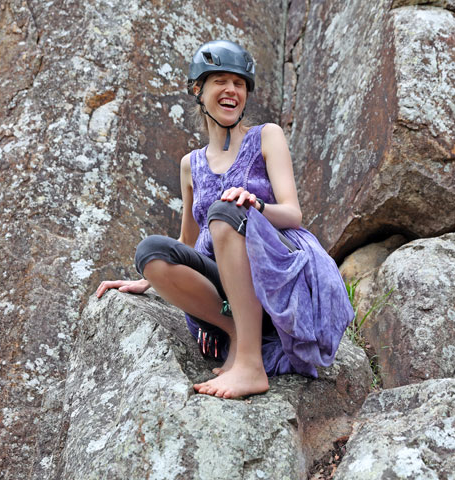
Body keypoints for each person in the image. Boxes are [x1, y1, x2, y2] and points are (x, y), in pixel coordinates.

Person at [95, 40, 354, 399]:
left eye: (240, 83)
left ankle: (249, 364)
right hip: (229, 298)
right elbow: (187, 241)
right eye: (220, 80)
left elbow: (293, 214)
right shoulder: (190, 164)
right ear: (198, 90)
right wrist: (147, 282)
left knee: (225, 211)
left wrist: (256, 207)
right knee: (151, 252)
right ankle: (235, 333)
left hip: (277, 282)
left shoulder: (267, 136)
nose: (232, 90)